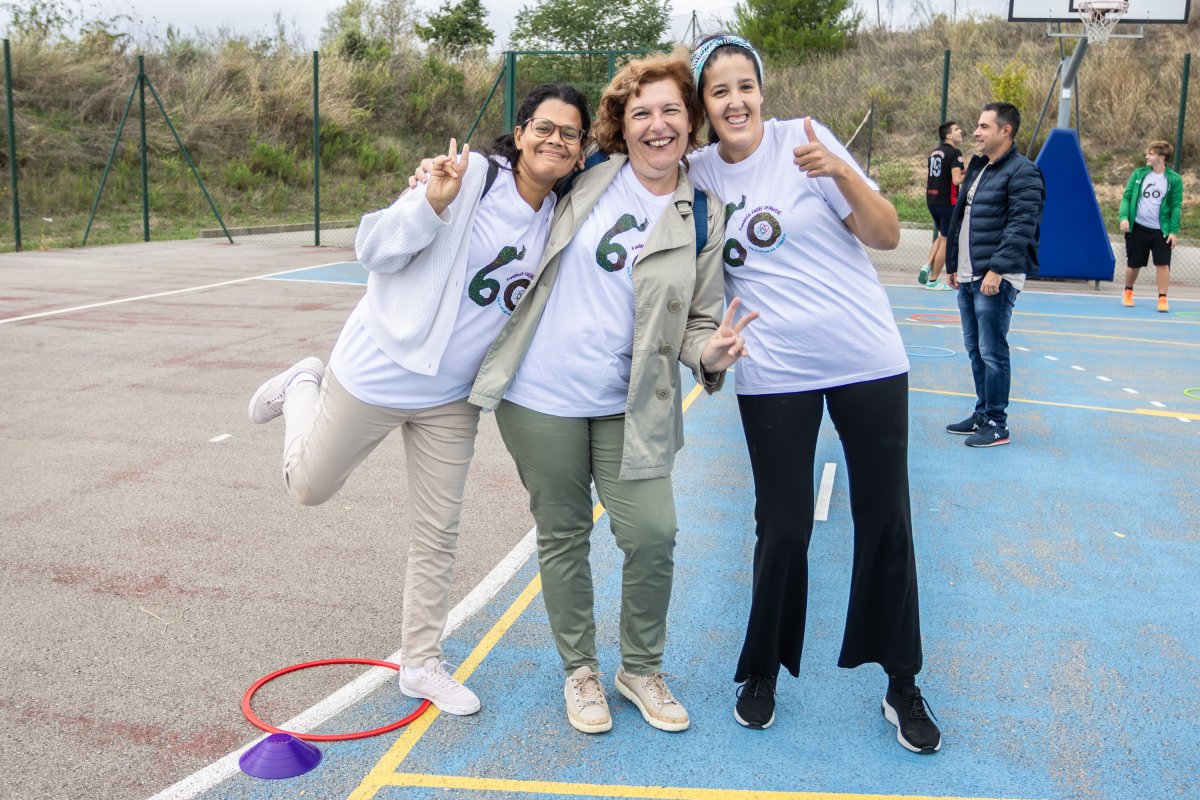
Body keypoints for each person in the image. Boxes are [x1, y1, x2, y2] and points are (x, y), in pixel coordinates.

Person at [245, 84, 591, 717]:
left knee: (437, 532)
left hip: (452, 399)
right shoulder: (468, 176)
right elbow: (372, 249)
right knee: (309, 488)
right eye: (544, 127)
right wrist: (430, 204)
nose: (556, 140)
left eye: (570, 133)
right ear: (519, 134)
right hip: (379, 370)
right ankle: (301, 386)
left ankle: (421, 663)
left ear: (581, 150)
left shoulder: (563, 215)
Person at [468, 53, 754, 736]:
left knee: (652, 533)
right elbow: (514, 175)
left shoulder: (704, 215)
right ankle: (580, 669)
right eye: (641, 113)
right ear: (621, 126)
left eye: (670, 111)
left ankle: (640, 668)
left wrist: (709, 354)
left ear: (690, 121)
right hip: (541, 395)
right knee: (563, 534)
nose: (657, 125)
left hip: (632, 403)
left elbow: (700, 321)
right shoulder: (586, 177)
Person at [687, 34, 941, 754]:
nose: (736, 101)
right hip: (775, 370)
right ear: (704, 105)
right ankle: (762, 670)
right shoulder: (696, 173)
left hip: (866, 357)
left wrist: (841, 172)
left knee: (886, 517)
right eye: (719, 91)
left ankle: (901, 682)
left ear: (761, 90)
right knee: (783, 524)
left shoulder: (804, 140)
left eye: (745, 85)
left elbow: (884, 234)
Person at [944, 102, 1044, 448]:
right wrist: (954, 265)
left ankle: (997, 423)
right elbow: (962, 220)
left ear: (1006, 131)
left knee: (992, 350)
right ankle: (982, 413)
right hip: (970, 275)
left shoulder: (1023, 172)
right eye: (977, 125)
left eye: (984, 126)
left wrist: (997, 269)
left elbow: (1021, 225)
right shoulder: (979, 167)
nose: (976, 132)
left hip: (995, 278)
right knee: (975, 349)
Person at [1118, 140, 1183, 312]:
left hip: (1161, 230)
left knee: (1163, 264)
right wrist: (1124, 217)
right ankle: (1128, 291)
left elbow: (1176, 206)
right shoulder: (1139, 174)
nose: (1147, 156)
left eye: (1151, 154)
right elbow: (1127, 197)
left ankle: (1162, 299)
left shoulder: (1174, 180)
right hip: (1138, 227)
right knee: (1134, 264)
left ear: (1161, 157)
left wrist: (1173, 231)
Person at [919, 121, 964, 291]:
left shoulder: (934, 153)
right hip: (947, 202)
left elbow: (945, 172)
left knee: (942, 235)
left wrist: (968, 169)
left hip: (932, 200)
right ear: (949, 136)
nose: (960, 131)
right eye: (956, 129)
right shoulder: (955, 153)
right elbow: (956, 180)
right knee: (947, 240)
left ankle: (927, 265)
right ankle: (933, 280)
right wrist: (972, 176)